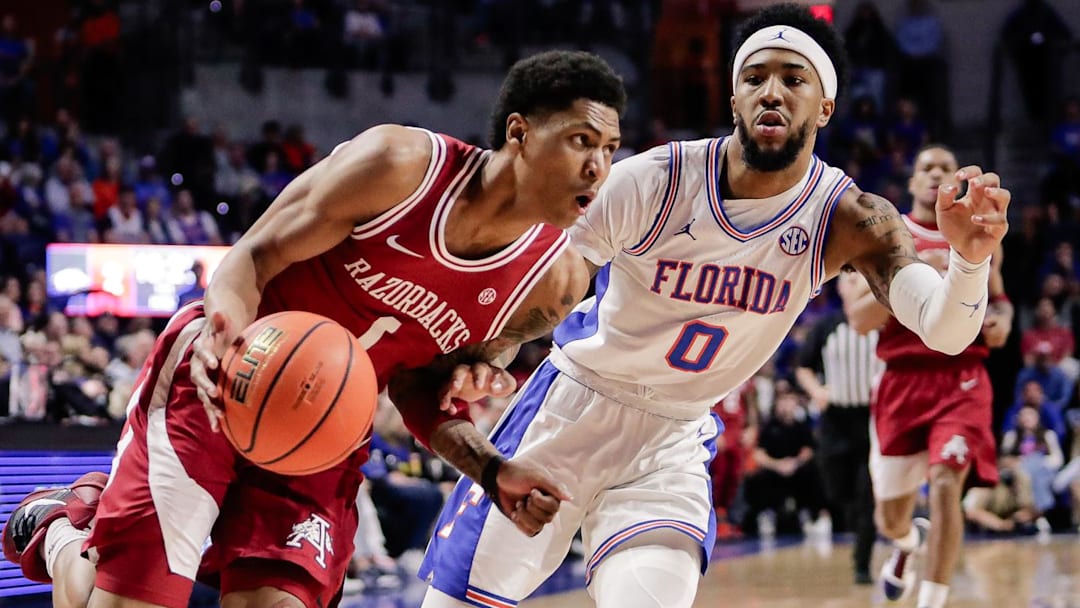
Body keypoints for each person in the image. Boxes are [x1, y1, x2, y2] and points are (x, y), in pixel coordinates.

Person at [420, 5, 1010, 608]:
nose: (771, 92)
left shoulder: (850, 217)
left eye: (793, 78)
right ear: (734, 98)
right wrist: (486, 353)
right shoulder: (652, 180)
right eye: (754, 79)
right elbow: (545, 291)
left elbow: (945, 330)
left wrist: (968, 261)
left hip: (671, 442)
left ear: (825, 106)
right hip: (570, 410)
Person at [1, 50, 626, 608]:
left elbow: (422, 394)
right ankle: (65, 533)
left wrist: (492, 470)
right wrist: (224, 328)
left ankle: (81, 537)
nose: (599, 167)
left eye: (609, 150)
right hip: (226, 377)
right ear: (519, 133)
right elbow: (253, 256)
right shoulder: (401, 166)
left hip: (325, 433)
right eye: (580, 141)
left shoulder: (552, 285)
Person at [842, 143, 1013, 608]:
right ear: (913, 182)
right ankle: (904, 544)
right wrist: (918, 274)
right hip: (903, 378)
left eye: (945, 166)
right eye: (926, 167)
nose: (936, 172)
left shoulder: (975, 232)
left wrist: (1002, 321)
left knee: (945, 483)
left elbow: (999, 300)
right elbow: (858, 319)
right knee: (890, 517)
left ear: (956, 179)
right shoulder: (883, 235)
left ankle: (932, 601)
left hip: (961, 376)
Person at [795, 270, 885, 584]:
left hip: (871, 419)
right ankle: (851, 522)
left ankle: (863, 562)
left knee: (867, 494)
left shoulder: (882, 320)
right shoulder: (827, 326)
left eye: (860, 278)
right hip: (836, 420)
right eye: (848, 279)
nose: (854, 283)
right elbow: (804, 367)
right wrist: (817, 391)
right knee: (837, 486)